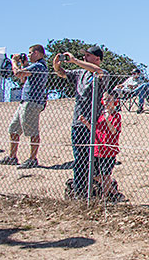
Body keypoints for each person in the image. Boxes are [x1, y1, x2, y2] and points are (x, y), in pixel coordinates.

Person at [53, 46, 108, 199]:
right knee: (80, 159)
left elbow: (98, 71)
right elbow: (62, 73)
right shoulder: (80, 73)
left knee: (96, 161)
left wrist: (74, 60)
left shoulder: (102, 74)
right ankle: (80, 192)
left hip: (95, 124)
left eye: (88, 56)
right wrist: (57, 64)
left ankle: (96, 191)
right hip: (79, 122)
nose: (84, 58)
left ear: (97, 59)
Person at [0, 44, 49, 169]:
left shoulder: (39, 66)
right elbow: (22, 79)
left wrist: (14, 62)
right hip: (25, 101)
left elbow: (18, 73)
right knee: (13, 129)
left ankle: (32, 158)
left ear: (37, 53)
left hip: (31, 101)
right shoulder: (35, 67)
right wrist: (23, 64)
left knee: (32, 131)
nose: (29, 55)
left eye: (30, 53)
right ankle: (12, 156)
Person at [78, 91, 126, 202]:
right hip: (97, 149)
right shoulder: (100, 116)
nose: (106, 102)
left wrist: (108, 119)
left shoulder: (116, 116)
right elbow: (96, 131)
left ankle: (105, 197)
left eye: (109, 99)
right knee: (93, 173)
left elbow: (114, 131)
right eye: (105, 99)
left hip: (109, 151)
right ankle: (114, 193)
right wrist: (86, 123)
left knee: (106, 175)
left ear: (115, 102)